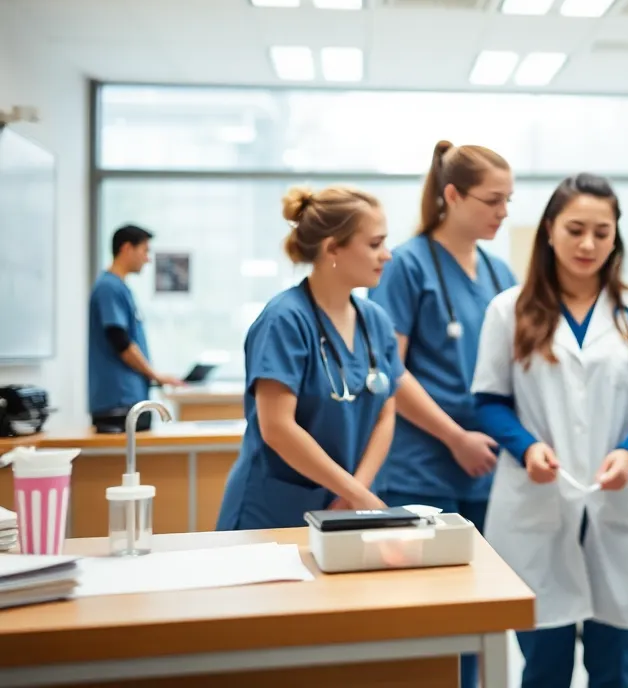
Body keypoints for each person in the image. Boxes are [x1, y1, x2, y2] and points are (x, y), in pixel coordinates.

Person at [471, 174, 628, 688]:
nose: (589, 244)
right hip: (540, 498)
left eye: (602, 232)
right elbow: (489, 401)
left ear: (616, 237)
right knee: (545, 662)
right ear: (549, 231)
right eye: (576, 229)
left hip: (617, 498)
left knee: (615, 661)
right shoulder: (510, 309)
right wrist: (526, 447)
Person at [366, 140, 515, 688]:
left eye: (509, 201)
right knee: (431, 616)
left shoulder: (500, 274)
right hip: (424, 465)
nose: (503, 212)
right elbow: (391, 370)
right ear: (451, 195)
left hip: (490, 462)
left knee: (477, 609)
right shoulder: (406, 264)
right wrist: (455, 437)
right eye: (492, 200)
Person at [217, 186, 403, 530]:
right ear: (332, 247)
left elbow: (385, 413)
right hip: (275, 512)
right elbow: (277, 427)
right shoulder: (284, 320)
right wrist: (356, 496)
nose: (387, 255)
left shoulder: (375, 321)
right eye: (375, 244)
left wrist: (355, 492)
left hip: (346, 506)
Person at [88, 224, 185, 433]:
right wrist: (155, 375)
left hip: (130, 397)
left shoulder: (120, 288)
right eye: (144, 251)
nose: (148, 258)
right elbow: (119, 340)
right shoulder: (109, 287)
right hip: (118, 400)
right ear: (126, 249)